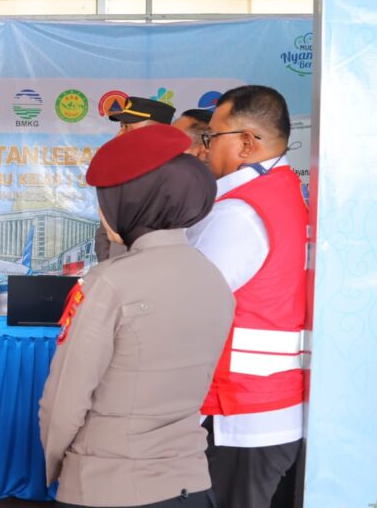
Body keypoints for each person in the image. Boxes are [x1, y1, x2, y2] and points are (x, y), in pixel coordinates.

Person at [39, 124, 234, 508]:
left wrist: (58, 470)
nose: (101, 211)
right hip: (192, 485)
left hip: (109, 487)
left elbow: (62, 406)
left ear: (131, 203)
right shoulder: (213, 277)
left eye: (106, 198)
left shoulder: (109, 283)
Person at [187, 85, 308, 508]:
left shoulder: (240, 212)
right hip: (263, 407)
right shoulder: (283, 191)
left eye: (210, 137)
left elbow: (189, 307)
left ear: (245, 143)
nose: (203, 149)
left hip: (239, 413)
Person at [94, 96, 176, 261]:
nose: (119, 134)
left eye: (127, 127)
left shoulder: (176, 178)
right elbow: (104, 233)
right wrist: (109, 265)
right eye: (121, 126)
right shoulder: (122, 175)